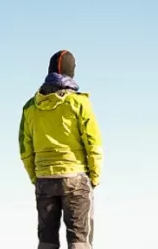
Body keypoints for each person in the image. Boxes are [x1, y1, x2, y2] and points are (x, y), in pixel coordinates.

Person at [18, 50, 103, 249]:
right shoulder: (79, 103)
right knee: (79, 240)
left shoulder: (30, 107)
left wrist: (36, 177)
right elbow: (93, 143)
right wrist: (95, 177)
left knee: (46, 241)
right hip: (75, 177)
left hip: (44, 179)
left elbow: (25, 149)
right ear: (71, 73)